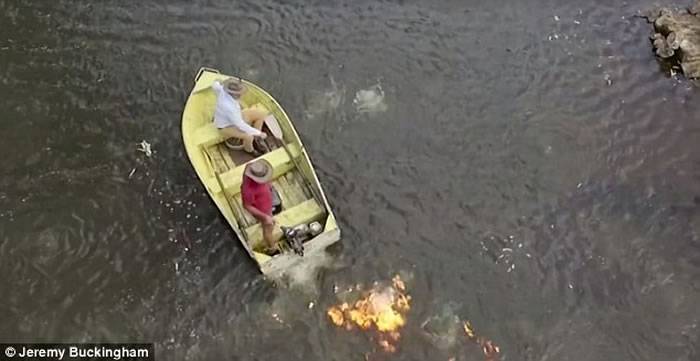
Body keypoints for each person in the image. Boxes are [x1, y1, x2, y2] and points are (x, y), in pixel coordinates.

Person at [211, 77, 269, 154]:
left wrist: (217, 80)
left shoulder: (222, 90)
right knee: (248, 137)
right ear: (235, 94)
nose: (242, 94)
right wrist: (259, 133)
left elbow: (214, 85)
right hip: (225, 127)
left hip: (235, 117)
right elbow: (241, 125)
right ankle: (250, 150)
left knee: (260, 115)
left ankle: (257, 139)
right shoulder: (230, 108)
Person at [241, 159, 277, 250]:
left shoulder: (251, 167)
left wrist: (269, 184)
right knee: (268, 230)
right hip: (263, 211)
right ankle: (272, 247)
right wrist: (265, 217)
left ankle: (269, 219)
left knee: (270, 222)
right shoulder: (248, 190)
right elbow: (247, 205)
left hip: (267, 203)